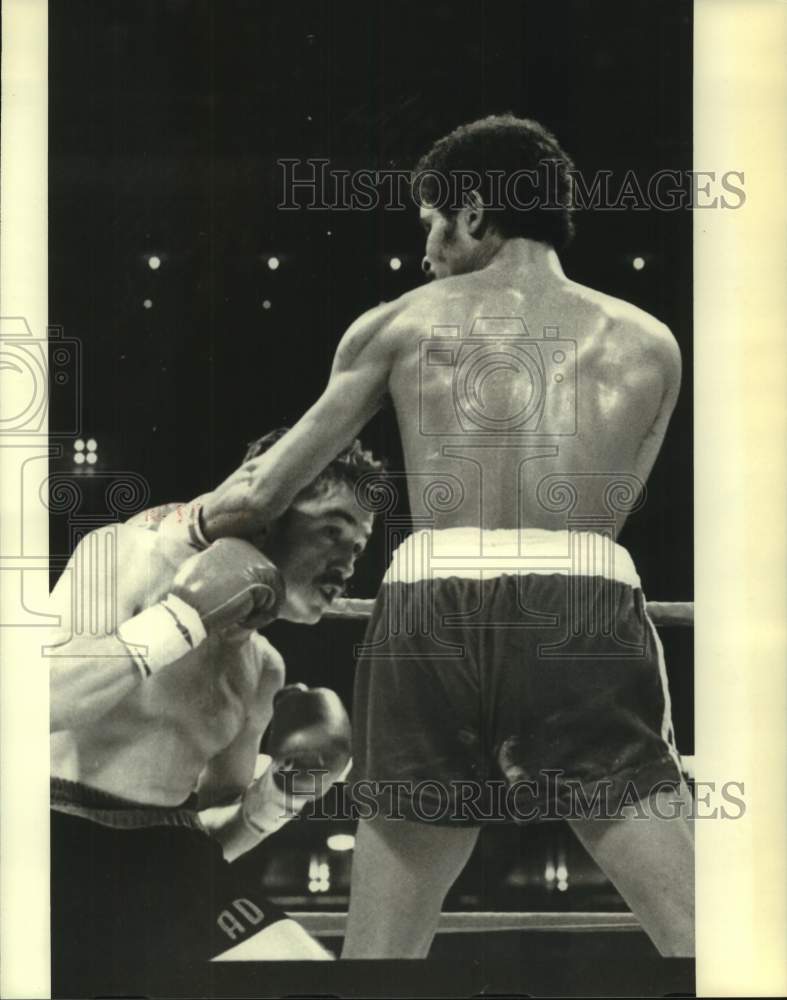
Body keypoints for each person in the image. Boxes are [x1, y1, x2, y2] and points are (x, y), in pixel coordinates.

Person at [190, 115, 694, 958]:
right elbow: (604, 515)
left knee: (384, 950)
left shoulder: (397, 324)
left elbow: (267, 492)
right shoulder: (650, 344)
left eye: (428, 221)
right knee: (702, 937)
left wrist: (171, 530)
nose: (424, 249)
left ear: (470, 211)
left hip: (429, 613)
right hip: (582, 606)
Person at [48, 429, 380, 990]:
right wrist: (179, 620)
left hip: (167, 864)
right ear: (267, 514)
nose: (346, 564)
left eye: (358, 548)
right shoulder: (128, 555)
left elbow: (217, 834)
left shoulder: (263, 669)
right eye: (331, 532)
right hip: (50, 844)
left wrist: (281, 798)